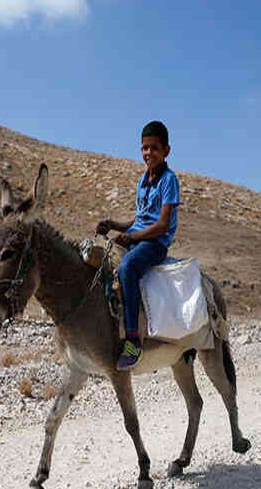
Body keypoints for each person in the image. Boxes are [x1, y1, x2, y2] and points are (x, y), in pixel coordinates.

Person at [96, 121, 181, 370]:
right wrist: (113, 225)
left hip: (154, 243)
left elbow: (162, 225)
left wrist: (133, 238)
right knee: (96, 258)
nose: (148, 153)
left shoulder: (169, 180)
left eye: (154, 148)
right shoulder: (142, 181)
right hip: (138, 237)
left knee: (128, 268)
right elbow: (139, 219)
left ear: (166, 151)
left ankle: (133, 340)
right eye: (144, 148)